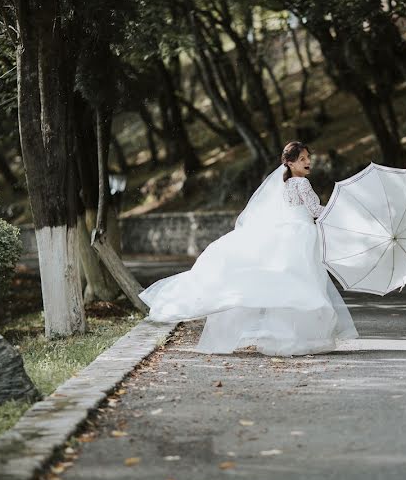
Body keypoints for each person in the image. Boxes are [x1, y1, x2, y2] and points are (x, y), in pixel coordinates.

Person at [139, 141, 358, 356]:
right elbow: (314, 209)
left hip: (288, 235)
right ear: (290, 163)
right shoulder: (302, 184)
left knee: (289, 285)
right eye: (302, 159)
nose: (308, 162)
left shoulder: (284, 184)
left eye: (308, 158)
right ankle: (294, 338)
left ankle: (286, 338)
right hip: (302, 236)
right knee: (302, 283)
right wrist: (338, 210)